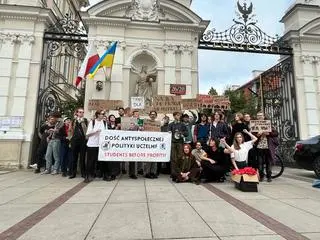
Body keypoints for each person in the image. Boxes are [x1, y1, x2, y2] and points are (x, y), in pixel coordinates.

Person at [255, 112, 279, 182]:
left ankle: (269, 176)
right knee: (260, 162)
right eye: (258, 116)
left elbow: (276, 133)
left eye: (261, 115)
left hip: (268, 146)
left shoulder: (269, 124)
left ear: (264, 116)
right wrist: (257, 135)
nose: (259, 117)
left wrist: (268, 133)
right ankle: (261, 176)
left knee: (268, 162)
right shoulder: (255, 124)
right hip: (259, 146)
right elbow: (252, 135)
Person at [85, 110, 107, 183]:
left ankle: (103, 174)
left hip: (101, 144)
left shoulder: (104, 122)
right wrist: (96, 131)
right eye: (102, 114)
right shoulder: (92, 122)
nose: (103, 115)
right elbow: (87, 134)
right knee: (91, 161)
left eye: (104, 114)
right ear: (98, 115)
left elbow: (106, 133)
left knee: (102, 161)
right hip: (92, 144)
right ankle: (88, 175)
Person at [68, 107, 88, 179]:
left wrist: (86, 139)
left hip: (83, 141)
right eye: (80, 112)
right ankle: (73, 173)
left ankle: (83, 173)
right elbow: (70, 131)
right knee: (74, 158)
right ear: (77, 113)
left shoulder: (85, 120)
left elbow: (87, 131)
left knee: (82, 158)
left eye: (82, 112)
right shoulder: (73, 121)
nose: (81, 113)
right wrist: (70, 140)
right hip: (74, 141)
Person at [168, 112, 188, 178]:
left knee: (180, 157)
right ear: (174, 116)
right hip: (173, 142)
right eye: (177, 115)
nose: (178, 116)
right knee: (173, 158)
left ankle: (179, 172)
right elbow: (168, 132)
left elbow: (186, 133)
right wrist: (169, 132)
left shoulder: (182, 124)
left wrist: (182, 134)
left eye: (179, 115)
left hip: (180, 143)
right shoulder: (171, 124)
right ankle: (173, 173)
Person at [102, 114, 120, 181]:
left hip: (116, 145)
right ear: (109, 119)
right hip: (109, 145)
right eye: (111, 117)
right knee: (109, 160)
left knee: (115, 160)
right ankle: (109, 173)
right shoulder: (107, 125)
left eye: (114, 117)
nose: (113, 118)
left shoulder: (118, 125)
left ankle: (115, 174)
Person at [144, 111, 158, 179]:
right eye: (151, 114)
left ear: (156, 116)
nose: (153, 116)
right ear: (149, 115)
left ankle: (153, 172)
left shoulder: (158, 123)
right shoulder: (145, 122)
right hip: (148, 143)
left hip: (155, 143)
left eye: (154, 114)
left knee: (155, 159)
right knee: (148, 159)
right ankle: (147, 173)